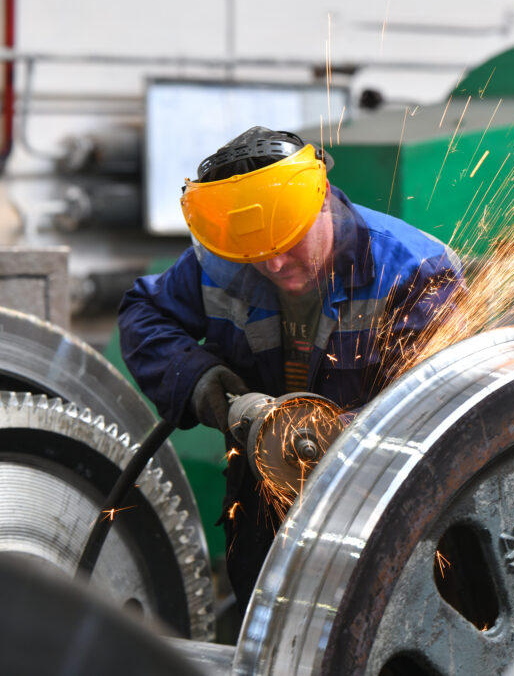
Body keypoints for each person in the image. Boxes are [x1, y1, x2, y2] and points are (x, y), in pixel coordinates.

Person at [118, 126, 463, 614]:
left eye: (288, 240)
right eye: (257, 251)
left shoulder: (412, 270)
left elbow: (441, 405)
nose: (275, 263)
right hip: (262, 518)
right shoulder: (221, 260)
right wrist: (201, 382)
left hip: (386, 520)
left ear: (320, 200)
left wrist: (327, 434)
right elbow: (142, 313)